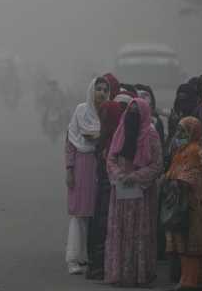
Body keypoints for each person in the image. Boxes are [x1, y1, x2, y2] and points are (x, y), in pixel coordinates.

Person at [104, 98, 163, 287]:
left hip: (142, 195)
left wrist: (136, 176)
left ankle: (139, 274)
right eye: (131, 112)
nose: (133, 116)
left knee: (139, 232)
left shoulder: (151, 134)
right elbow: (110, 158)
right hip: (121, 193)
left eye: (137, 113)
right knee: (119, 231)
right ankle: (119, 273)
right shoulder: (120, 131)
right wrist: (119, 174)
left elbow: (157, 165)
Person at [165, 116, 202, 290]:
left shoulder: (196, 151)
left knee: (192, 247)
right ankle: (196, 280)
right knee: (184, 244)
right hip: (183, 205)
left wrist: (176, 180)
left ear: (193, 132)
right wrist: (167, 178)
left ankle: (189, 282)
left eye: (183, 131)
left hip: (195, 207)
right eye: (178, 130)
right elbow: (173, 171)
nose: (179, 134)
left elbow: (194, 176)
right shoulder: (182, 150)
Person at [65, 77, 108, 275]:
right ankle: (74, 258)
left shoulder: (108, 113)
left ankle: (89, 257)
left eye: (104, 89)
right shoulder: (81, 111)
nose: (101, 92)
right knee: (79, 213)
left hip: (102, 166)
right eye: (98, 89)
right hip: (82, 165)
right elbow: (71, 141)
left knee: (96, 214)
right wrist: (69, 169)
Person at [86, 99, 126, 280]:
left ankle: (101, 266)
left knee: (104, 226)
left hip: (111, 188)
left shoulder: (116, 138)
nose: (102, 118)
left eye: (105, 115)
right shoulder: (108, 135)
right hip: (104, 187)